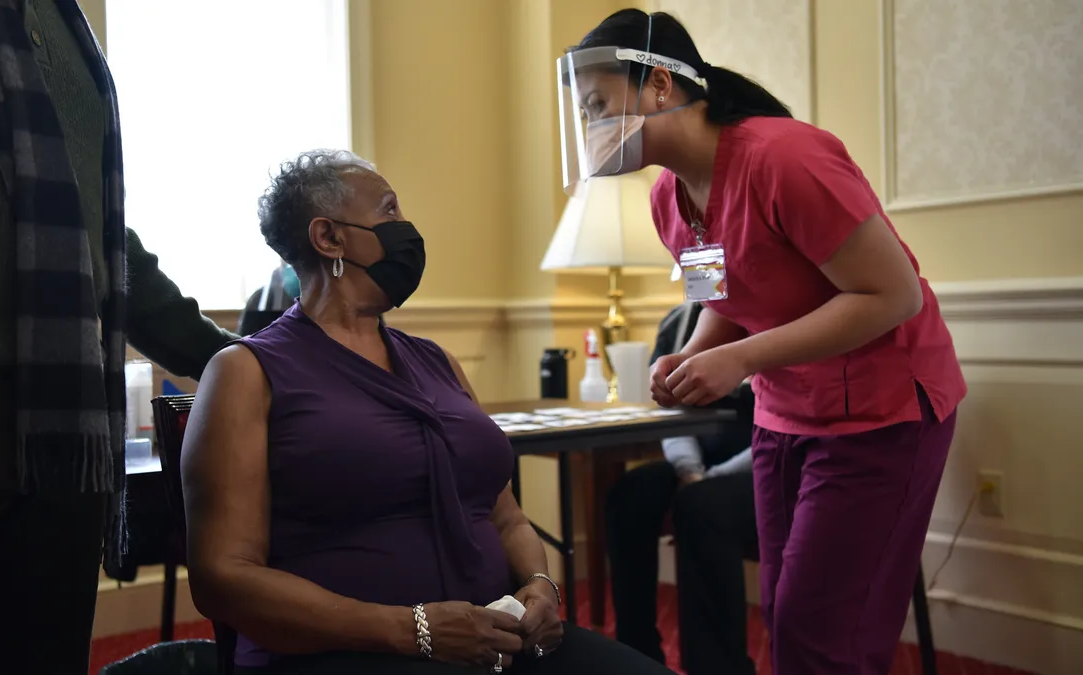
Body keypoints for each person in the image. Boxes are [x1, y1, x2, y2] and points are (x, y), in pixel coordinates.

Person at [559, 9, 967, 675]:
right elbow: (723, 298)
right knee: (784, 616)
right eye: (584, 113)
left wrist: (739, 359)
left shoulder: (786, 158)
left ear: (659, 84)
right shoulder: (670, 198)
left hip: (883, 409)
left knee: (821, 632)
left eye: (600, 105)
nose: (591, 128)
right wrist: (689, 354)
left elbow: (894, 297)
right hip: (785, 415)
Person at [181, 150, 675, 675]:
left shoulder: (438, 362)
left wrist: (539, 586)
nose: (408, 230)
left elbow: (504, 515)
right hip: (347, 652)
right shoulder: (245, 371)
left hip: (495, 641)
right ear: (329, 238)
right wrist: (412, 629)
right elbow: (223, 576)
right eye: (390, 212)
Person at [0, 2, 235, 674]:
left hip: (64, 418)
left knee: (47, 651)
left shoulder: (65, 24)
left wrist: (246, 357)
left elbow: (96, 239)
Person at [606, 303, 758, 675]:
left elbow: (781, 424)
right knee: (630, 495)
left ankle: (719, 666)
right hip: (695, 462)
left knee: (702, 506)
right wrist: (691, 472)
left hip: (768, 460)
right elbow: (672, 415)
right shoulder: (678, 321)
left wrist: (708, 480)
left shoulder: (775, 309)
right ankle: (637, 653)